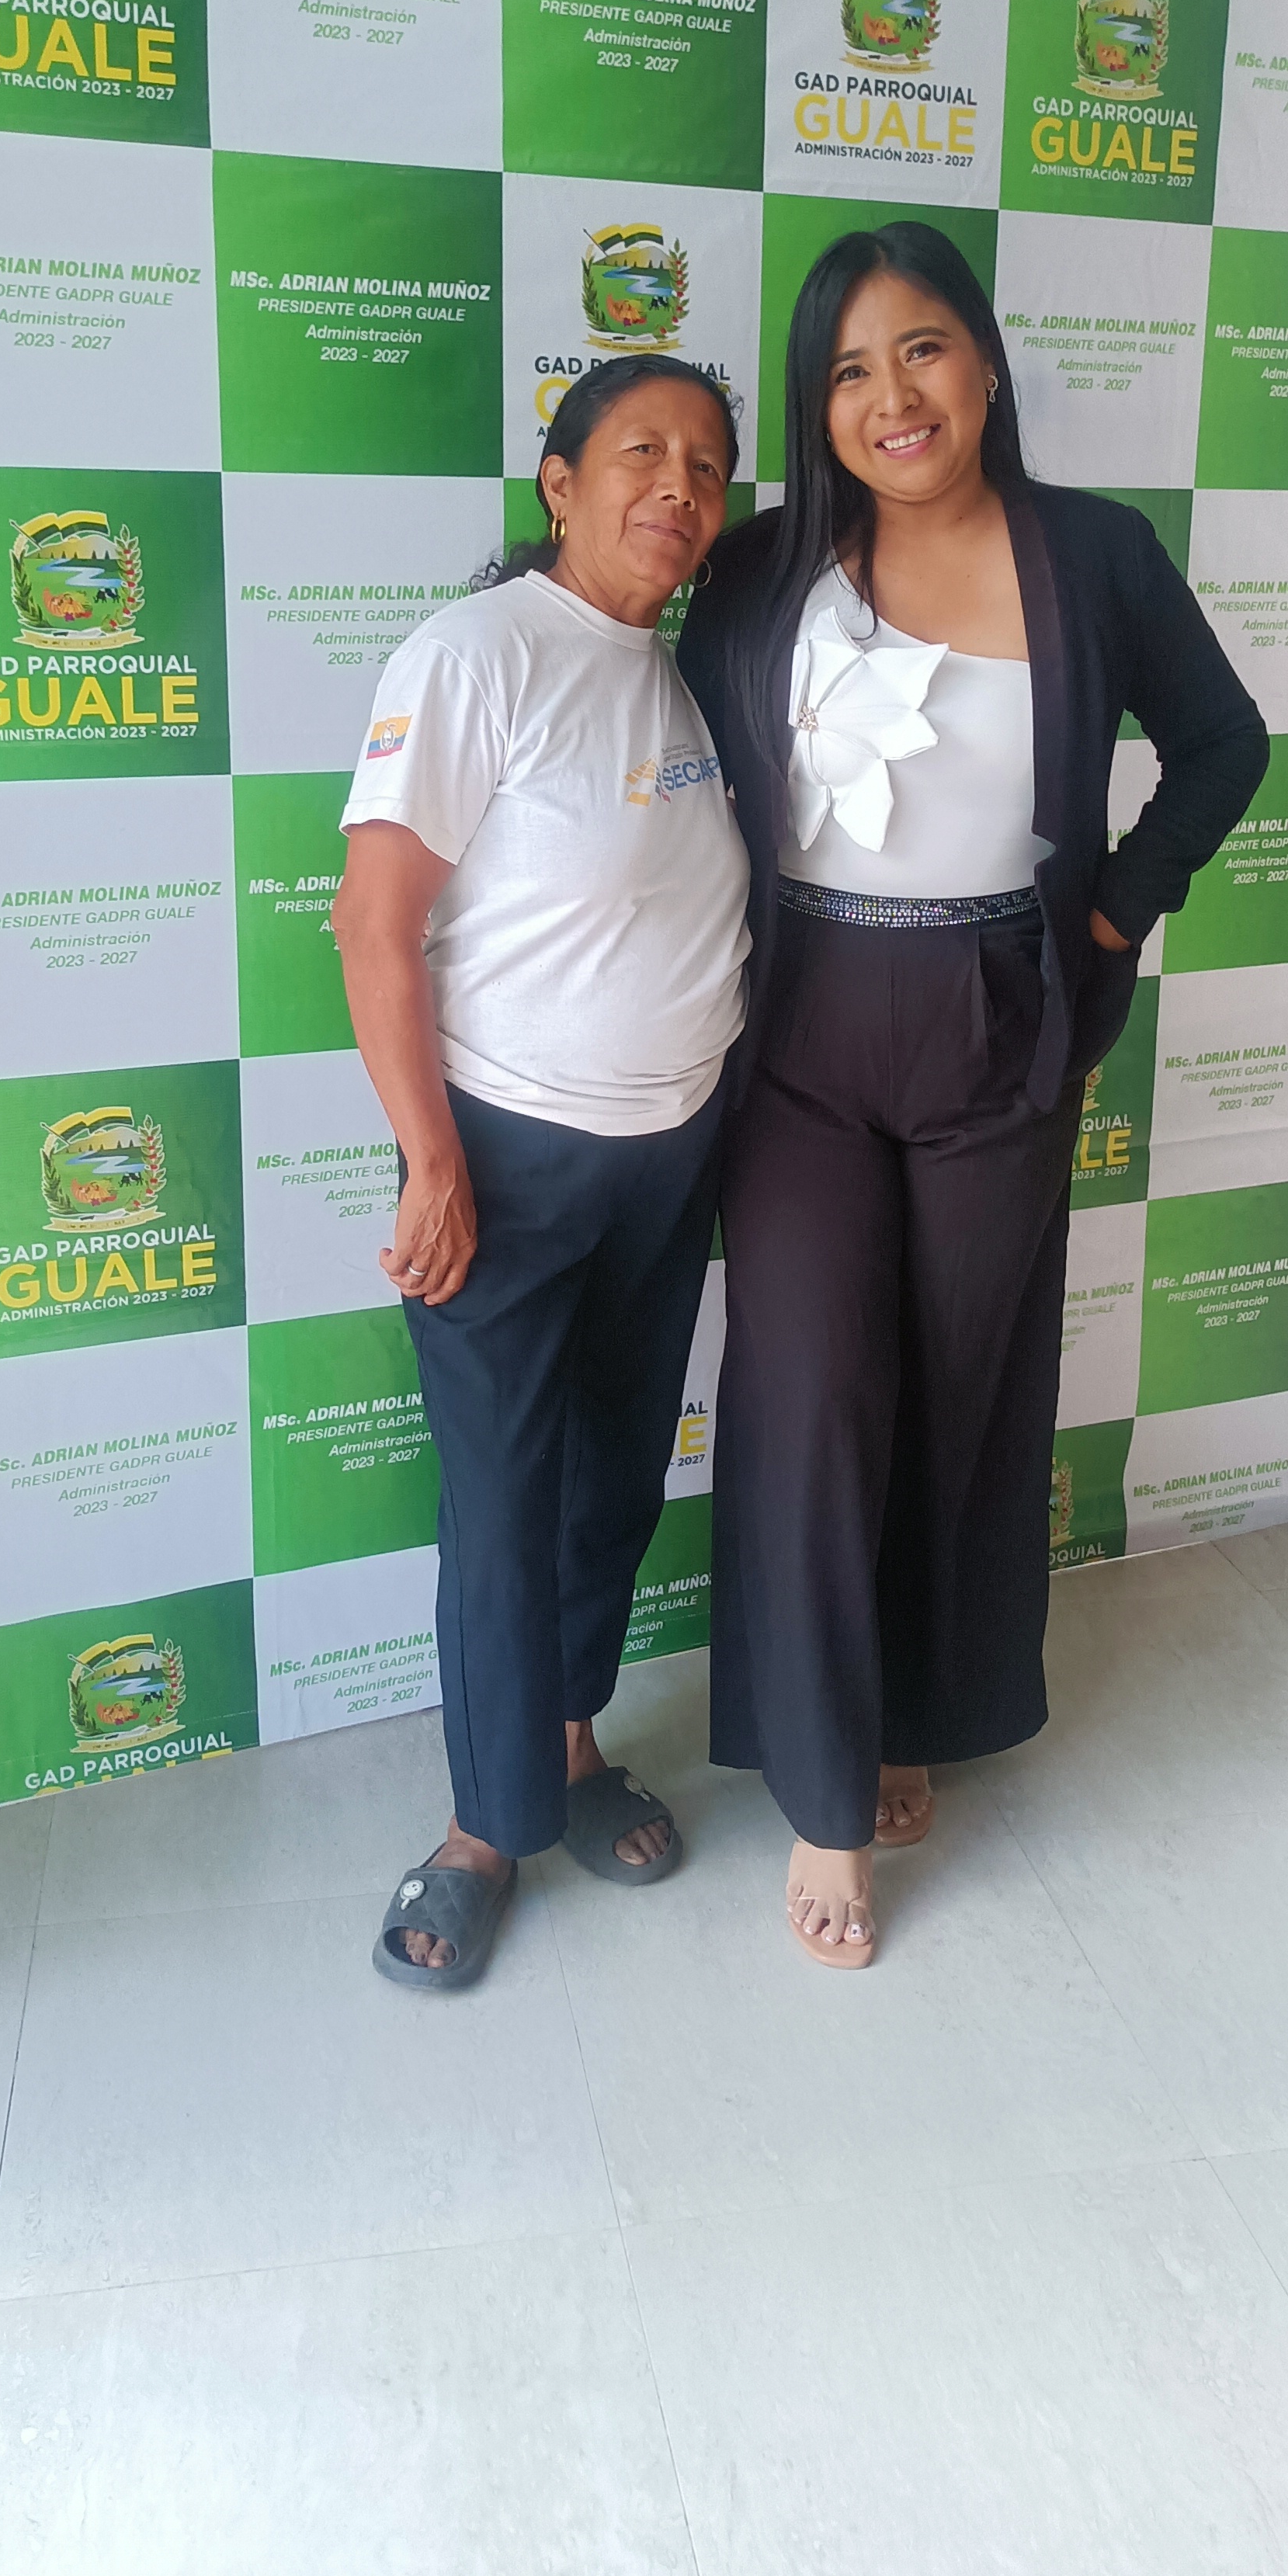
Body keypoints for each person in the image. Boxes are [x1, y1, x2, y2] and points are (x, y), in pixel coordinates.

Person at [675, 221, 1268, 1970]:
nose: (894, 396)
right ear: (818, 406)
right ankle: (821, 1793)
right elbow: (658, 732)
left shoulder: (1096, 553)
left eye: (922, 348)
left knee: (957, 1384)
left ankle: (909, 1711)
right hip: (801, 1021)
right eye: (850, 371)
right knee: (808, 1389)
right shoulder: (765, 564)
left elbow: (1225, 744)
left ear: (987, 361)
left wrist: (1111, 910)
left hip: (1000, 1017)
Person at [332, 357, 750, 1989]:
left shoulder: (676, 675)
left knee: (615, 1475)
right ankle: (481, 1830)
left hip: (668, 1156)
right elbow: (374, 923)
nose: (679, 486)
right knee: (505, 1500)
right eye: (641, 451)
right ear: (559, 484)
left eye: (707, 463)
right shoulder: (476, 653)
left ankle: (568, 1746)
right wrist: (432, 1158)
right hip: (507, 1154)